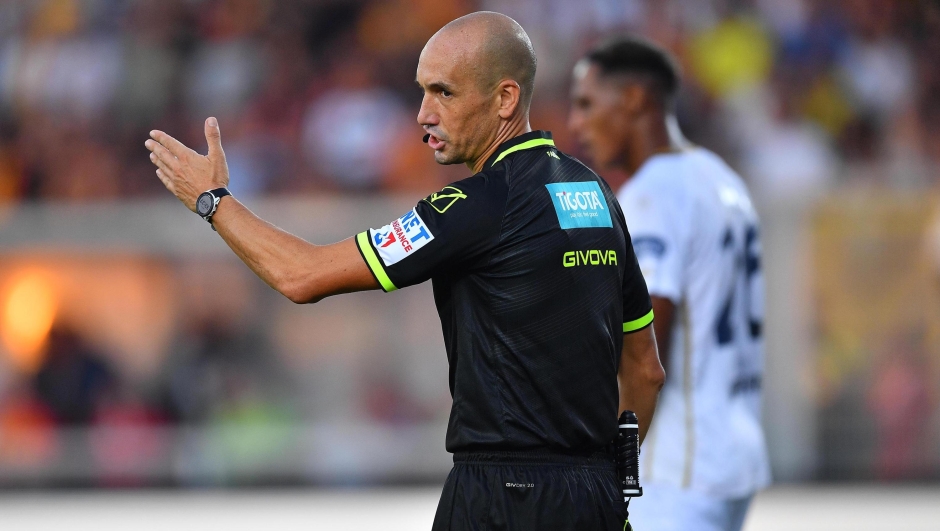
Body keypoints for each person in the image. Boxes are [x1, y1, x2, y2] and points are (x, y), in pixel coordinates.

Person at [145, 11, 664, 531]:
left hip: (502, 497)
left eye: (443, 93)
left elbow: (301, 276)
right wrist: (612, 479)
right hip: (596, 496)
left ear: (505, 99)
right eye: (422, 92)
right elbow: (645, 370)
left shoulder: (474, 205)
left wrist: (213, 201)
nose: (422, 114)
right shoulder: (596, 195)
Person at [568, 36, 771, 531]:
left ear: (634, 98)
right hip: (733, 454)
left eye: (587, 103)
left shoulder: (652, 196)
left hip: (677, 468)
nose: (576, 123)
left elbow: (645, 344)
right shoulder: (722, 179)